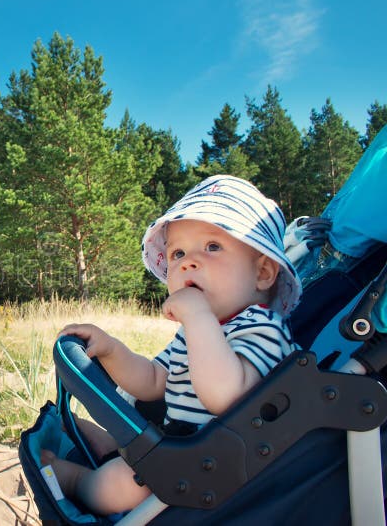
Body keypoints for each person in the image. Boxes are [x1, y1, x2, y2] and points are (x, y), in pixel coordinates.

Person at [41, 175, 302, 516]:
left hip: (218, 463)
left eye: (212, 247)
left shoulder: (264, 329)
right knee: (139, 445)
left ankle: (77, 481)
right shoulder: (196, 330)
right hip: (180, 443)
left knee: (120, 487)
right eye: (178, 252)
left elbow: (227, 396)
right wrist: (112, 350)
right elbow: (153, 381)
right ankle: (107, 443)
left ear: (263, 273)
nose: (187, 262)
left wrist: (198, 320)